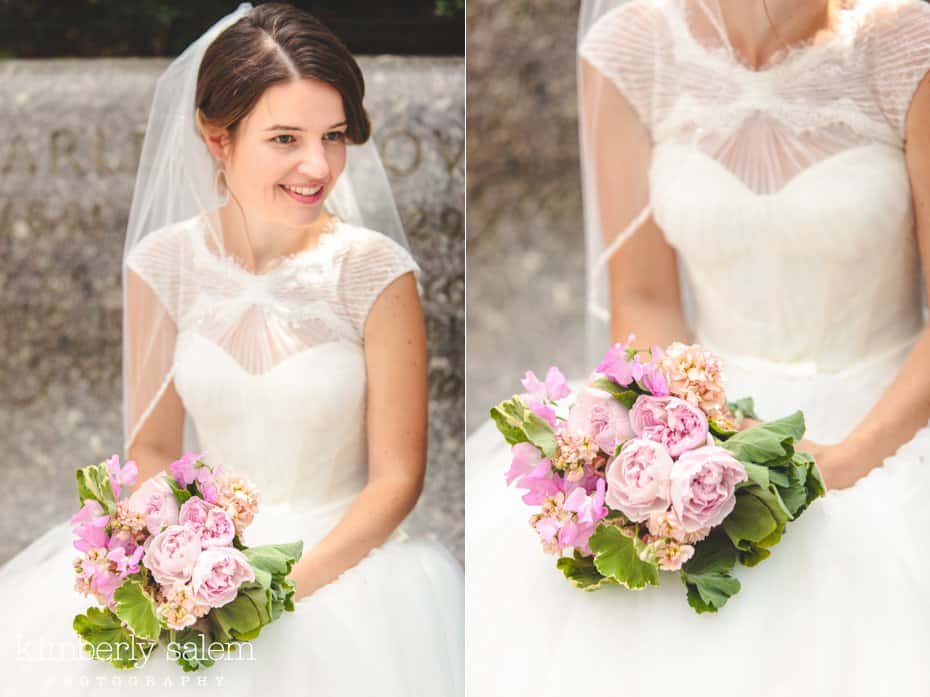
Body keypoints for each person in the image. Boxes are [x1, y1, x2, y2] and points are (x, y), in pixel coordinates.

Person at [466, 0, 930, 694]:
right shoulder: (633, 48)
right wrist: (679, 443)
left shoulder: (908, 43)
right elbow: (647, 297)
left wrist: (844, 461)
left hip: (892, 418)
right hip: (715, 420)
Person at [0, 4, 463, 695]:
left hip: (340, 568)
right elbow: (152, 449)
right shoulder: (165, 263)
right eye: (285, 138)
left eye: (334, 136)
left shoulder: (372, 269)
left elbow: (397, 479)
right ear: (218, 139)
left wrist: (276, 592)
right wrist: (179, 563)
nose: (318, 164)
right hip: (204, 559)